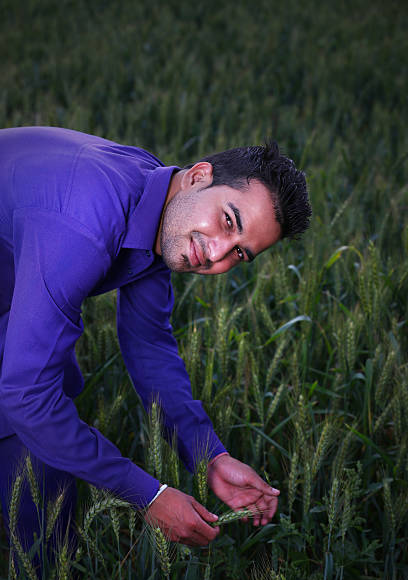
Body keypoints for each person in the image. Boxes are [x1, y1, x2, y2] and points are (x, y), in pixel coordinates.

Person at [0, 127, 311, 554]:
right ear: (200, 176)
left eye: (239, 252)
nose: (217, 253)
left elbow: (148, 344)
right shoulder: (84, 223)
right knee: (35, 400)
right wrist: (147, 494)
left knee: (41, 442)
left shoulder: (161, 201)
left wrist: (208, 455)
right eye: (228, 221)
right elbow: (27, 396)